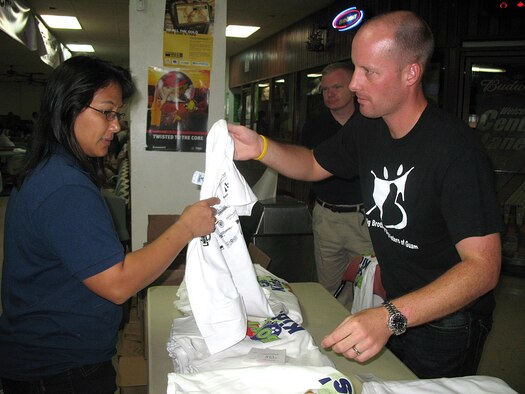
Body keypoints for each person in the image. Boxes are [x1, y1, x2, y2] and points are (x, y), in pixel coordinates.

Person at [227, 10, 502, 379]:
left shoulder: (456, 151)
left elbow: (482, 269)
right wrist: (259, 147)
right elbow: (311, 164)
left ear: (410, 73)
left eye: (368, 72)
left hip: (448, 321)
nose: (354, 84)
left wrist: (391, 316)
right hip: (397, 303)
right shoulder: (368, 127)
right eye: (355, 69)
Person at [0, 56, 218, 393]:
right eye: (107, 112)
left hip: (50, 357)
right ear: (68, 108)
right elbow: (117, 283)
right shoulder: (64, 186)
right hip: (58, 371)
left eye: (117, 114)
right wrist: (185, 227)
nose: (115, 126)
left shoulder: (53, 170)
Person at [301, 62, 373, 310]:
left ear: (353, 87)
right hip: (326, 217)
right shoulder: (314, 125)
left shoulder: (372, 121)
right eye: (325, 89)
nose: (330, 93)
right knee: (329, 290)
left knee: (368, 288)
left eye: (337, 87)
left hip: (363, 219)